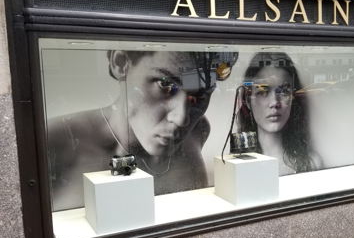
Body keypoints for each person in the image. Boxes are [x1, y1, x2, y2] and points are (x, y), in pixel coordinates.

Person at [48, 49, 237, 211]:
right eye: (165, 85)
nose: (181, 118)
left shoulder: (198, 130)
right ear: (121, 63)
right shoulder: (54, 142)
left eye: (200, 95)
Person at [238, 52, 321, 175]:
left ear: (293, 98)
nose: (274, 103)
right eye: (262, 92)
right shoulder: (239, 166)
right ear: (248, 100)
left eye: (284, 91)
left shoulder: (311, 162)